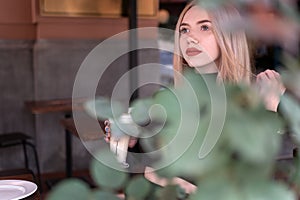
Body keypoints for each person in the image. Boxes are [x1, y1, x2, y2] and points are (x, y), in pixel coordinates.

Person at [104, 0, 286, 194]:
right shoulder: (175, 96)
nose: (191, 38)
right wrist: (136, 140)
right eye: (184, 30)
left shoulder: (259, 92)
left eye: (205, 27)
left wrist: (269, 108)